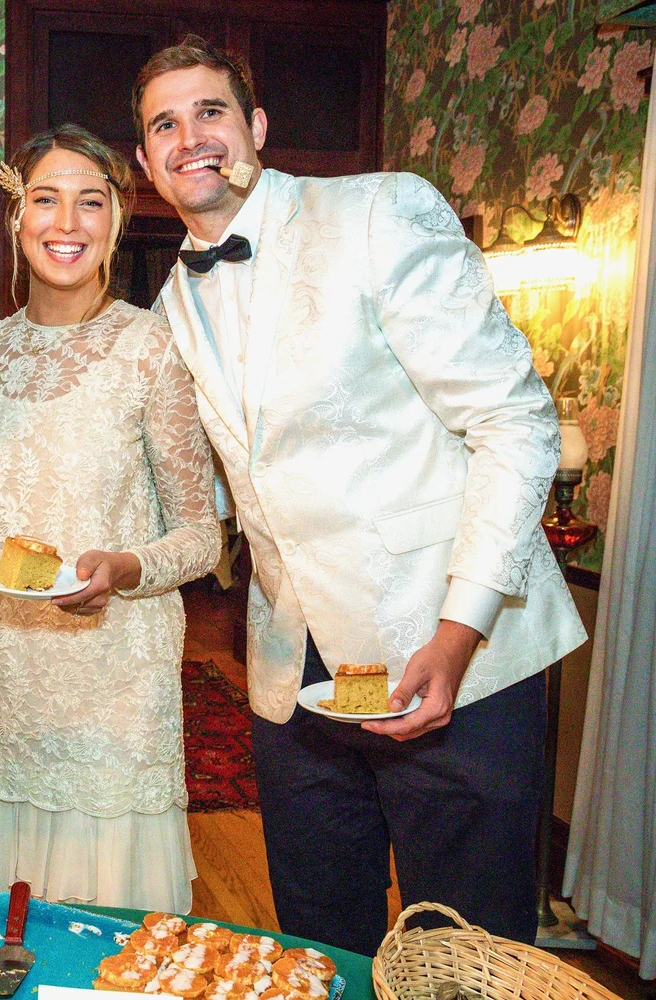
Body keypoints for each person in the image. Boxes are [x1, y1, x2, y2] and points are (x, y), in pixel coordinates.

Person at [134, 37, 588, 952]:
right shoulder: (170, 306)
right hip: (290, 672)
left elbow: (514, 420)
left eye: (211, 111)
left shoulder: (381, 210)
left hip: (449, 649)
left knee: (463, 952)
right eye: (165, 125)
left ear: (256, 126)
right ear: (147, 164)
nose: (192, 137)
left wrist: (459, 630)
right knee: (319, 942)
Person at [0, 124, 221, 913]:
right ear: (15, 220)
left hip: (114, 688)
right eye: (46, 201)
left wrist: (126, 568)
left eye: (91, 202)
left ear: (117, 222)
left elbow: (203, 534)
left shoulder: (151, 346)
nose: (68, 223)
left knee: (105, 950)